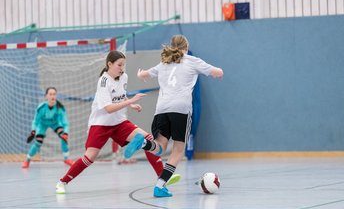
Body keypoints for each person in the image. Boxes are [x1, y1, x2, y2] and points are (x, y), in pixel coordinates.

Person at [55, 50, 180, 194]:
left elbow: (120, 96)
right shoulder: (103, 82)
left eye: (124, 65)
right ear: (109, 64)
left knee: (148, 139)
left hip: (119, 122)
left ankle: (162, 177)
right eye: (119, 65)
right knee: (89, 158)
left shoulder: (124, 77)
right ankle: (62, 182)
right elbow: (108, 108)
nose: (122, 68)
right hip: (100, 124)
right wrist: (131, 102)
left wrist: (130, 103)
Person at [124, 34, 224, 197]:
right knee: (178, 150)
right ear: (186, 47)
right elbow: (217, 72)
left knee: (159, 148)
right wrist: (219, 72)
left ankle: (143, 143)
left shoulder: (164, 63)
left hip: (161, 109)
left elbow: (144, 75)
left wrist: (141, 73)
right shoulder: (192, 60)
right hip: (181, 109)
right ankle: (159, 186)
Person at [22, 87, 74, 168]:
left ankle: (66, 159)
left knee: (63, 136)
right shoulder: (41, 107)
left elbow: (65, 123)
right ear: (46, 96)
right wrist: (33, 131)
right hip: (43, 124)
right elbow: (35, 121)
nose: (52, 96)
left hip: (55, 124)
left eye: (54, 94)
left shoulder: (60, 107)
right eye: (50, 94)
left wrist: (66, 133)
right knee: (38, 142)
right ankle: (27, 160)